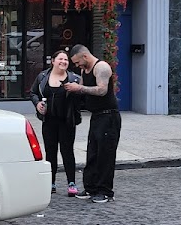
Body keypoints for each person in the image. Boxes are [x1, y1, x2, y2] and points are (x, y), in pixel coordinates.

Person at [66, 44, 121, 203]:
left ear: (85, 56)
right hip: (96, 116)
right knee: (93, 152)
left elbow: (101, 90)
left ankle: (105, 191)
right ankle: (91, 187)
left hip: (109, 116)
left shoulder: (101, 67)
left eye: (77, 62)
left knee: (105, 154)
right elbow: (83, 90)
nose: (77, 66)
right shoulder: (85, 70)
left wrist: (79, 88)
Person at [31, 50, 84, 196]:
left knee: (67, 152)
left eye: (66, 60)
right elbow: (33, 93)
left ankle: (71, 183)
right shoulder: (42, 77)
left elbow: (82, 98)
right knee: (50, 152)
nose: (63, 62)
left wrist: (77, 91)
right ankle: (51, 183)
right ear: (53, 61)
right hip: (49, 121)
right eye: (60, 59)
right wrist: (37, 104)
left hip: (67, 121)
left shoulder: (74, 78)